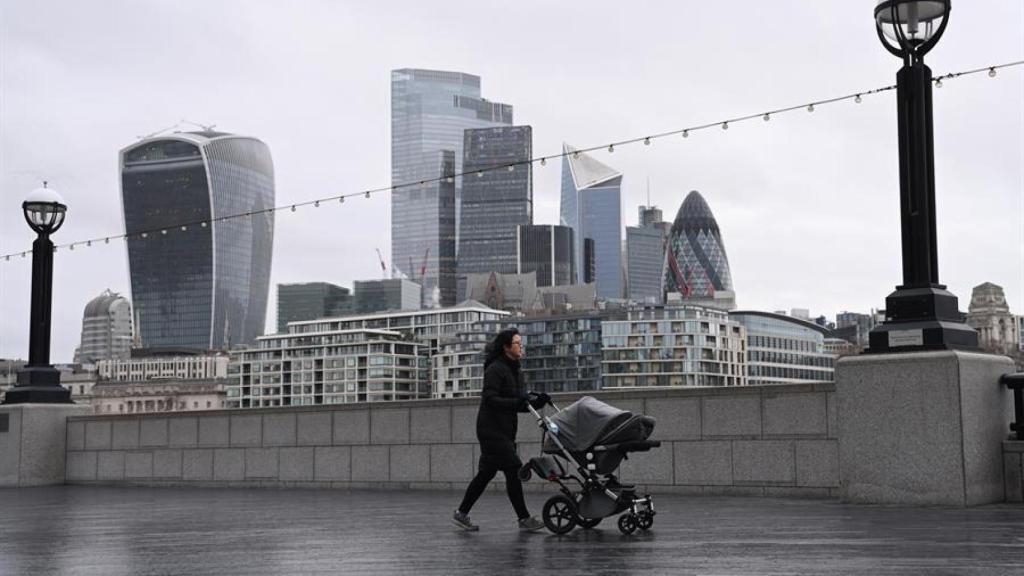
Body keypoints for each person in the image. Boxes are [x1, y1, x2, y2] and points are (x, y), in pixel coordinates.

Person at [452, 328, 550, 532]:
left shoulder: (516, 370)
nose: (521, 347)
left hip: (505, 429)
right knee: (513, 469)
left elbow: (519, 404)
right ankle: (524, 518)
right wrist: (518, 401)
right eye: (517, 343)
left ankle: (461, 513)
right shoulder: (495, 369)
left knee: (486, 473)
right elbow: (490, 399)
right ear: (506, 347)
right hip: (491, 429)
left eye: (521, 344)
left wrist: (538, 402)